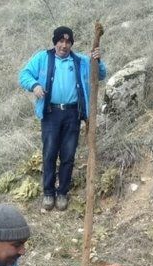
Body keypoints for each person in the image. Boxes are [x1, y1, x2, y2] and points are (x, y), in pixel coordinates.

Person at [18, 25, 106, 212]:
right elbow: (24, 75)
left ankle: (62, 192)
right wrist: (34, 85)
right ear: (55, 42)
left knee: (68, 155)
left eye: (68, 42)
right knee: (49, 153)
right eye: (61, 41)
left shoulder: (80, 60)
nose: (64, 45)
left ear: (71, 44)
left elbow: (101, 74)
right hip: (51, 113)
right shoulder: (43, 58)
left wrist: (98, 61)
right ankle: (48, 193)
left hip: (72, 114)